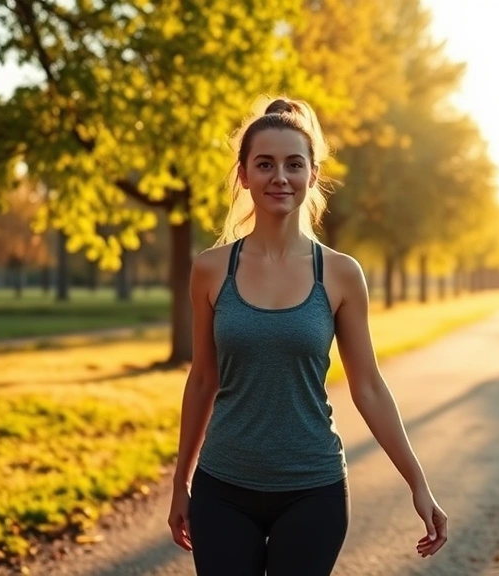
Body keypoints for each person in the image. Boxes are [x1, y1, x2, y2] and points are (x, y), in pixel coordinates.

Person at [166, 96, 448, 575]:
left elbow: (369, 386)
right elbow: (202, 381)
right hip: (223, 489)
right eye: (265, 164)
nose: (280, 176)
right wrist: (181, 482)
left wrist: (417, 482)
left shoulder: (340, 274)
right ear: (243, 175)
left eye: (294, 164)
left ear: (312, 174)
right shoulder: (212, 270)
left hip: (312, 490)